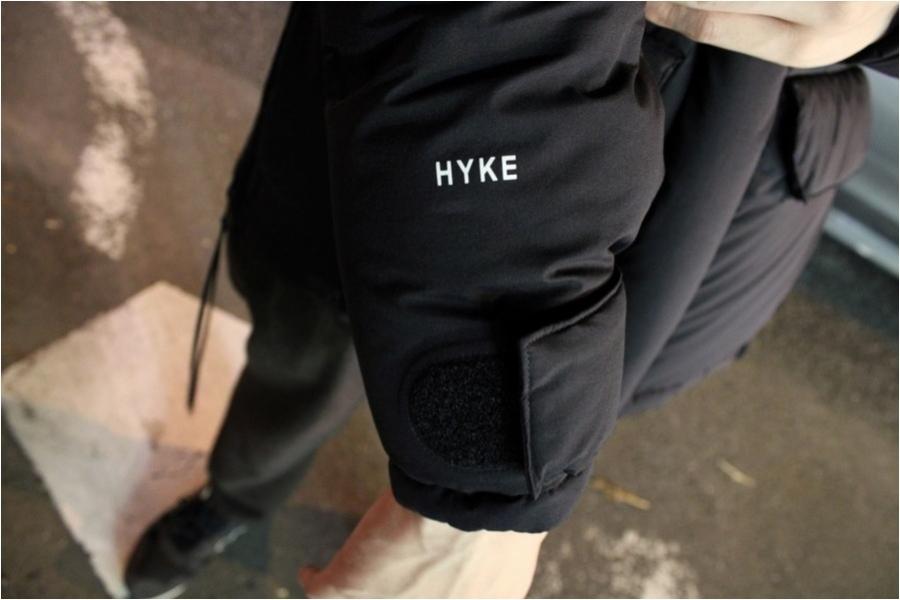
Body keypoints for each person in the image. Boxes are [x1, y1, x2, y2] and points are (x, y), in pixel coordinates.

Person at [124, 2, 898, 598]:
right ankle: (236, 500)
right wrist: (482, 495)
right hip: (390, 141)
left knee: (574, 406)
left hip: (718, 192)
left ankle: (419, 501)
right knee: (300, 369)